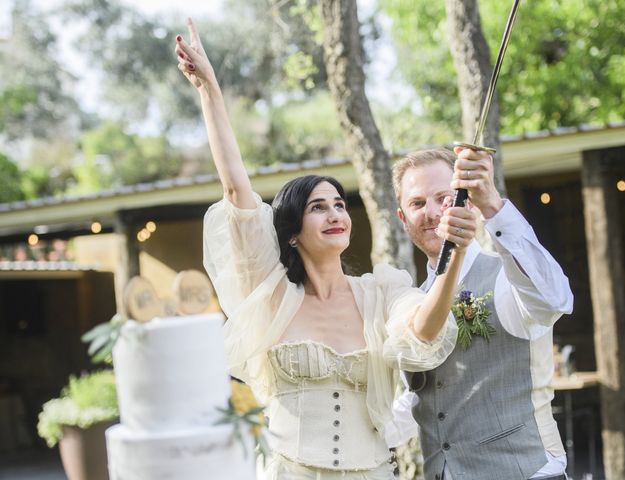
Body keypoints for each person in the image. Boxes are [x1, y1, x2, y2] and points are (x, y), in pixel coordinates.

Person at [175, 19, 478, 480]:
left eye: (339, 204)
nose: (336, 214)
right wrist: (209, 90)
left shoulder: (381, 291)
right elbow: (237, 190)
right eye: (319, 207)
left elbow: (423, 329)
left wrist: (453, 254)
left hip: (373, 471)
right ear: (293, 230)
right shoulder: (273, 294)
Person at [392, 148, 574, 480]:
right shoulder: (414, 302)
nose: (432, 213)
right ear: (403, 218)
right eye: (417, 204)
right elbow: (417, 397)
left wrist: (493, 204)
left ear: (468, 203)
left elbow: (556, 300)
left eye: (443, 198)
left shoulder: (507, 275)